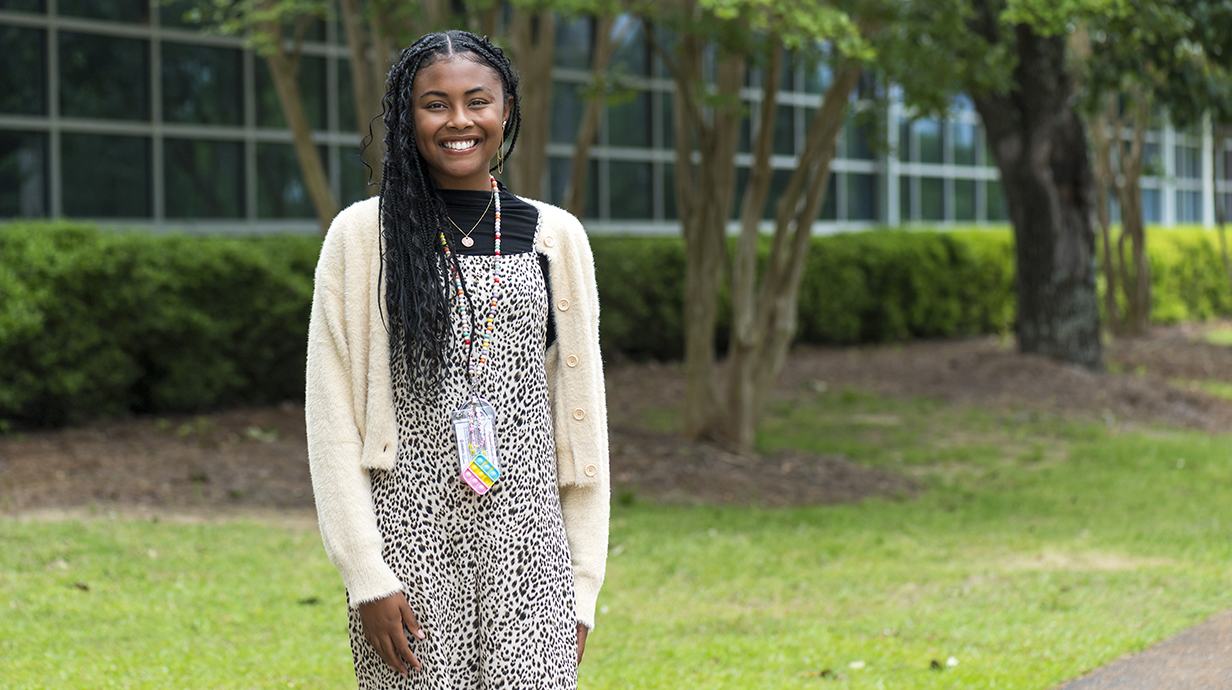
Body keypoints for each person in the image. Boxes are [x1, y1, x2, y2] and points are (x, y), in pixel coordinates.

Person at [305, 29, 609, 689]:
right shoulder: (362, 237)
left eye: (478, 101)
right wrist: (366, 575)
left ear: (506, 111)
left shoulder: (556, 236)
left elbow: (583, 425)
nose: (459, 121)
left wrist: (582, 583)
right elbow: (331, 422)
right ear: (406, 118)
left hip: (531, 548)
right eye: (434, 104)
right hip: (408, 546)